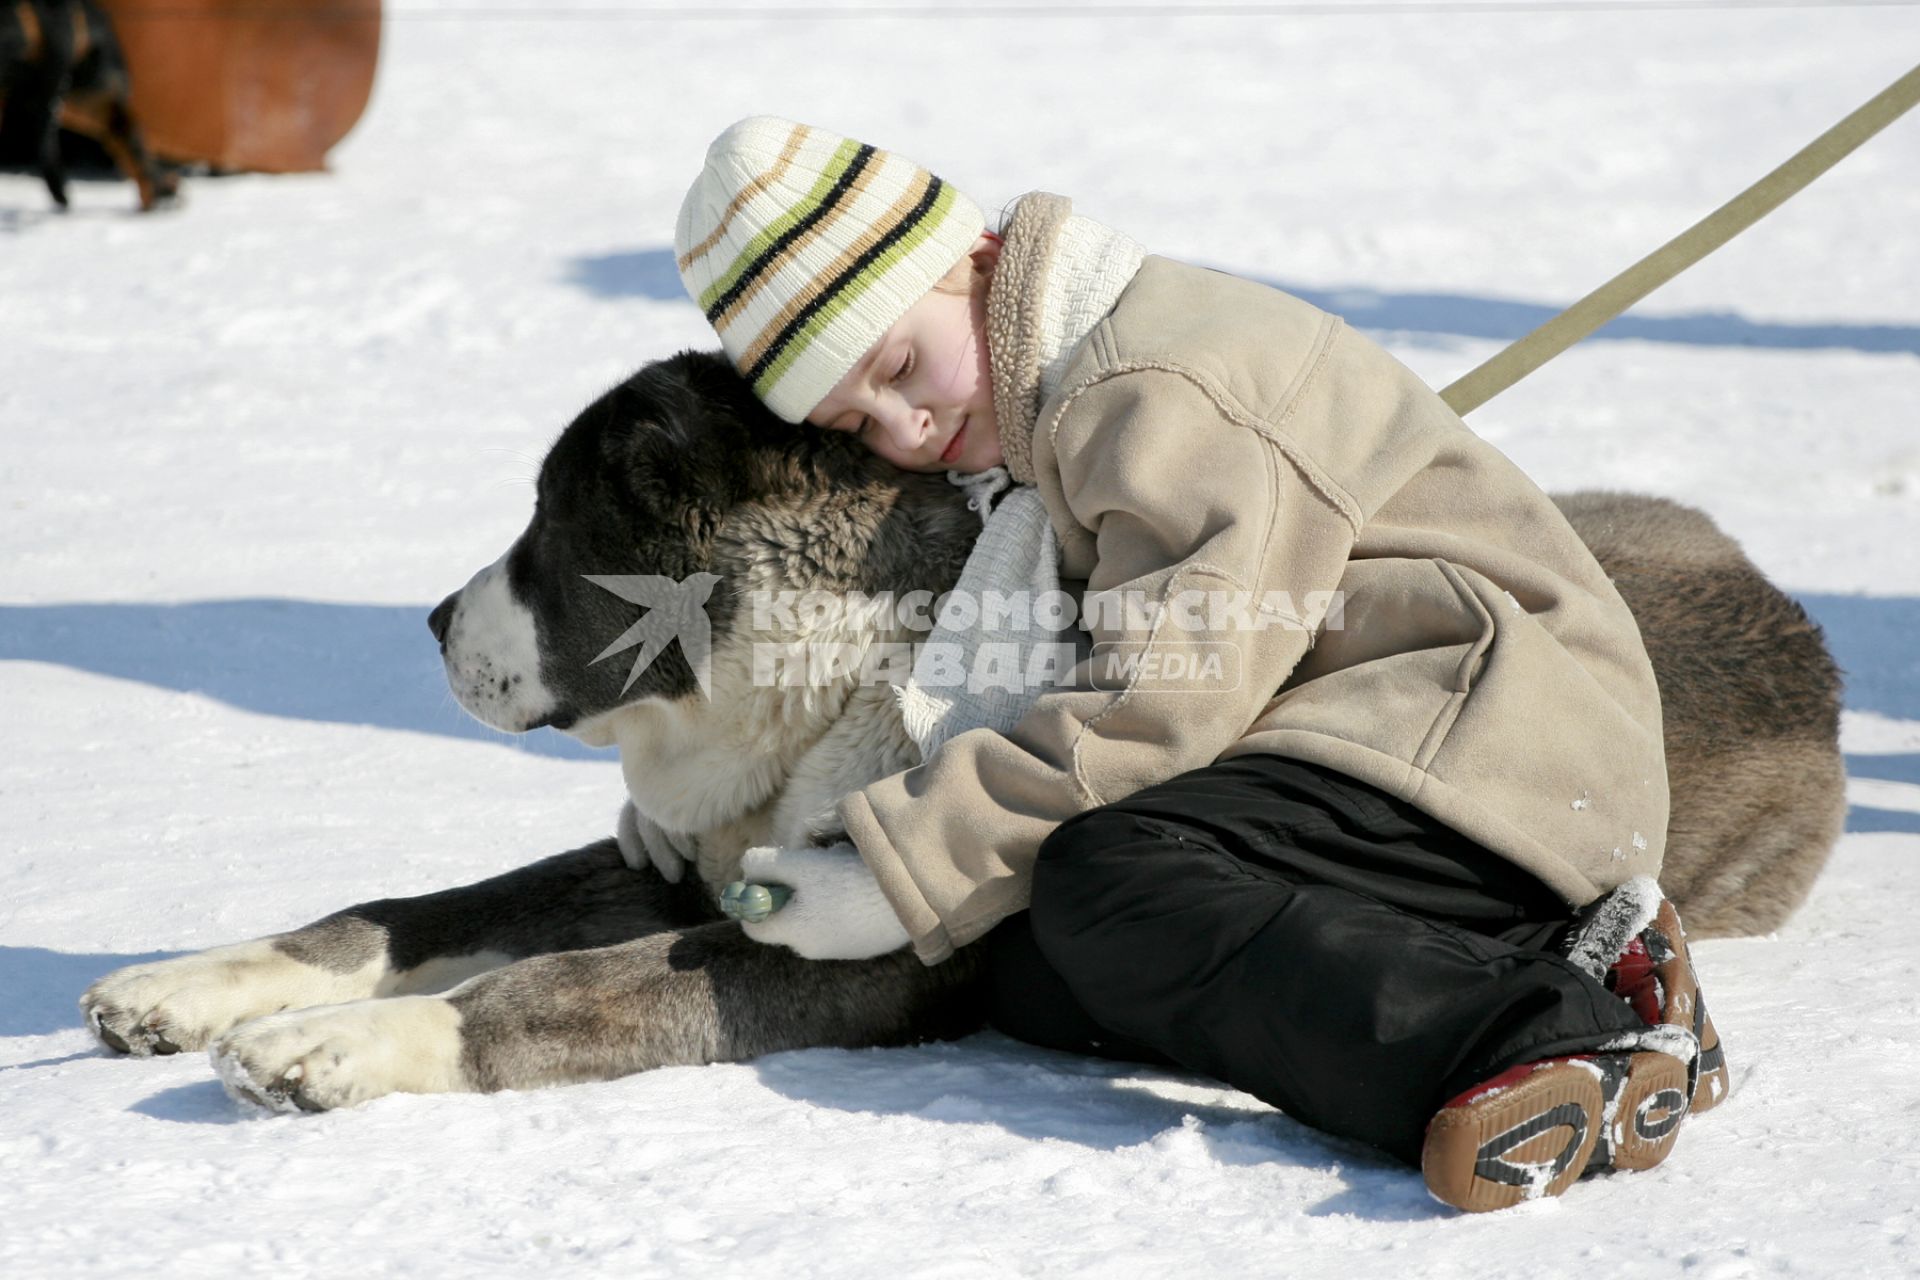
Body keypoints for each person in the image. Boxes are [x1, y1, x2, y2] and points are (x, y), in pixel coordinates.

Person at [670, 115, 1729, 1213]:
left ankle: (1548, 1038)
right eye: (858, 420)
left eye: (896, 363)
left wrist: (907, 864)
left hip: (1489, 723)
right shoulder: (1064, 392)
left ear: (971, 259)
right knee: (1035, 959)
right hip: (1376, 735)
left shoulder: (1152, 388)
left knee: (1105, 881)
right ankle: (1588, 952)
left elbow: (1154, 703)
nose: (906, 419)